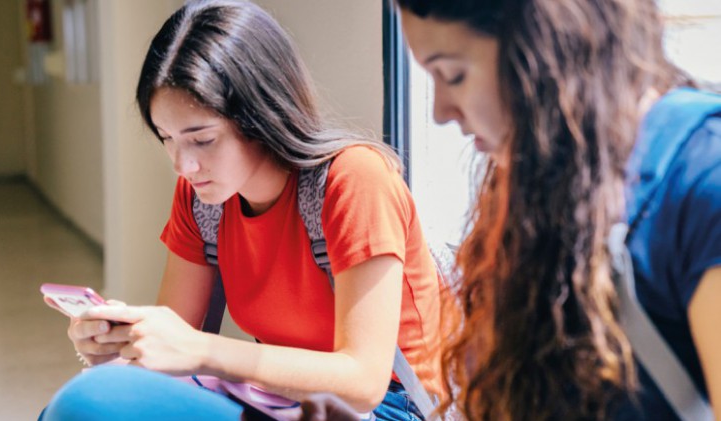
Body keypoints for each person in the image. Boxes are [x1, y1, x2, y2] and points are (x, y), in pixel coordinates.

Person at [306, 0, 721, 420]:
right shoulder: (536, 190)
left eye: (453, 75)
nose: (440, 111)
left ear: (544, 45)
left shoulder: (701, 178)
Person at [40, 0, 444, 420]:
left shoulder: (355, 179)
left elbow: (363, 383)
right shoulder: (201, 200)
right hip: (280, 398)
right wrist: (119, 346)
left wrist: (202, 351)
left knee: (84, 406)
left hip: (388, 409)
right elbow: (174, 346)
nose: (183, 164)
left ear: (261, 115)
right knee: (88, 398)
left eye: (202, 139)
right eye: (167, 138)